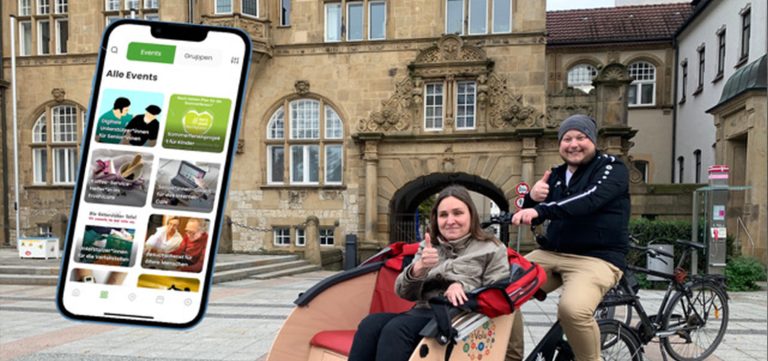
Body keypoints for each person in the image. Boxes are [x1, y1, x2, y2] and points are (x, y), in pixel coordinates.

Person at [507, 114, 629, 361]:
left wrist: (541, 208)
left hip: (597, 259)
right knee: (501, 288)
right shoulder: (556, 175)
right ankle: (511, 356)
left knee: (572, 310)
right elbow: (536, 215)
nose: (573, 144)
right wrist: (533, 198)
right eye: (567, 138)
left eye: (580, 137)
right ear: (559, 144)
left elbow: (588, 200)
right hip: (553, 253)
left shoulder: (611, 168)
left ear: (592, 140)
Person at [348, 185, 510, 361]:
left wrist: (463, 287)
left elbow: (498, 293)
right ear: (436, 219)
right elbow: (402, 292)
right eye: (443, 215)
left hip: (459, 319)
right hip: (422, 312)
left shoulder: (492, 248)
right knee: (370, 324)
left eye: (457, 213)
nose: (450, 220)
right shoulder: (429, 246)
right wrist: (418, 268)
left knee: (396, 329)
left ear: (471, 214)